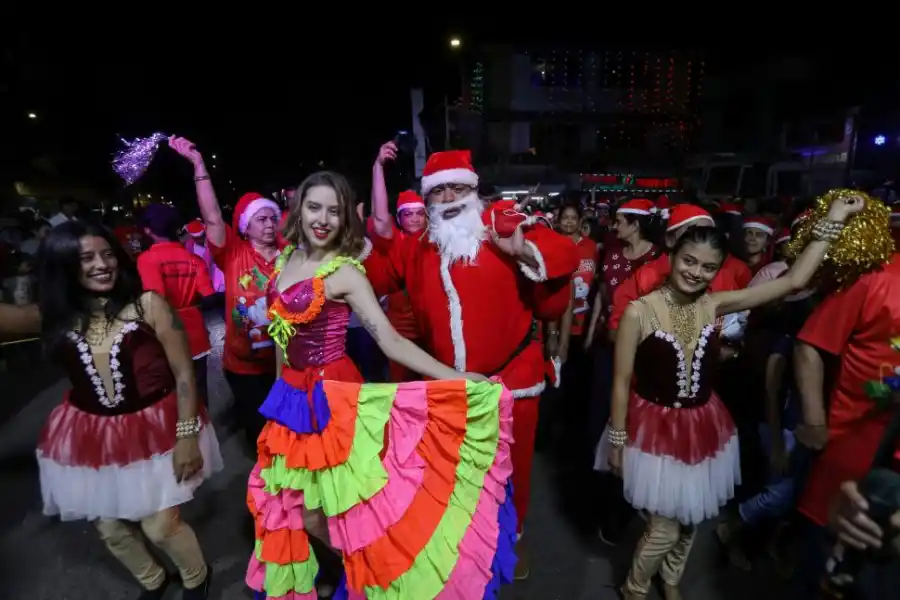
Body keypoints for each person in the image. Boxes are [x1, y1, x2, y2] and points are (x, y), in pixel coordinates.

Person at [246, 170, 517, 599]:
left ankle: (379, 580)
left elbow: (390, 341)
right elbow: (283, 342)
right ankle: (356, 572)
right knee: (300, 507)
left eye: (334, 211)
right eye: (314, 207)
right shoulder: (286, 261)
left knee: (343, 509)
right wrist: (277, 396)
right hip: (292, 401)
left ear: (344, 219)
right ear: (298, 210)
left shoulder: (347, 274)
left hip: (334, 398)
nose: (323, 219)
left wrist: (457, 378)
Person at [595, 192, 864, 599]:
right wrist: (617, 442)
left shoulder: (715, 304)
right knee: (664, 525)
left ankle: (670, 579)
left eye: (708, 268)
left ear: (718, 270)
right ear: (672, 255)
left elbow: (792, 281)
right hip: (653, 427)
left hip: (703, 425)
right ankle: (634, 587)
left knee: (691, 519)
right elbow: (621, 380)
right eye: (688, 261)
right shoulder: (640, 311)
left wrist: (835, 220)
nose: (695, 273)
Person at [365, 148, 578, 578]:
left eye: (457, 186)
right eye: (438, 190)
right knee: (458, 470)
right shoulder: (421, 245)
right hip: (450, 386)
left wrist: (522, 250)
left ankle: (511, 540)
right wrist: (349, 242)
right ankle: (468, 541)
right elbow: (380, 274)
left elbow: (559, 258)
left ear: (473, 188)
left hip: (512, 382)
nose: (448, 196)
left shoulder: (500, 222)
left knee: (513, 470)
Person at [28, 221, 222, 599]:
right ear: (64, 265)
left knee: (160, 526)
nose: (103, 264)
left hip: (159, 429)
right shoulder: (56, 316)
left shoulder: (147, 305)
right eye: (86, 258)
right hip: (93, 435)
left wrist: (187, 438)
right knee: (110, 529)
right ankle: (153, 580)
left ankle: (196, 577)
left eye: (108, 254)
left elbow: (184, 373)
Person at [169, 136, 281, 446]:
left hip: (285, 363)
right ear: (245, 226)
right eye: (261, 219)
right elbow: (212, 216)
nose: (270, 224)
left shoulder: (290, 254)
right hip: (244, 366)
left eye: (273, 217)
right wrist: (198, 164)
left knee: (289, 430)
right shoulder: (233, 253)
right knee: (259, 433)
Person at [137, 204, 217, 407]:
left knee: (176, 394)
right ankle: (205, 434)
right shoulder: (194, 259)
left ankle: (185, 435)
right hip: (197, 333)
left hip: (168, 335)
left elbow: (157, 300)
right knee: (200, 391)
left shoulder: (147, 259)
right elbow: (208, 294)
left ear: (147, 229)